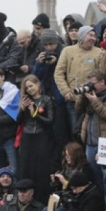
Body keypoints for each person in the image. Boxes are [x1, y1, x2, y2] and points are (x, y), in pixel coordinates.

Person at [54, 26, 106, 137]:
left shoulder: (99, 53)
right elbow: (58, 73)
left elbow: (103, 75)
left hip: (92, 100)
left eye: (94, 36)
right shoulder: (67, 51)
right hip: (73, 100)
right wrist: (65, 91)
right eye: (90, 35)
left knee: (91, 133)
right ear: (82, 36)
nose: (93, 38)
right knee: (75, 132)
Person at [75, 69, 106, 193]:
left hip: (105, 142)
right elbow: (77, 108)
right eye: (89, 83)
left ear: (102, 82)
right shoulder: (91, 95)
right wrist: (82, 96)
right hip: (90, 142)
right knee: (94, 178)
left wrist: (96, 102)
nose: (91, 86)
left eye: (93, 83)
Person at [33, 28, 69, 170]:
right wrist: (40, 63)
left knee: (60, 135)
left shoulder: (64, 52)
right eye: (46, 45)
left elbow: (65, 73)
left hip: (59, 100)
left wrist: (56, 62)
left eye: (51, 44)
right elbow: (36, 77)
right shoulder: (42, 56)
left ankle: (62, 165)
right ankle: (52, 166)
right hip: (46, 99)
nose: (49, 48)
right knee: (48, 135)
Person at [17, 74, 54, 204]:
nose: (30, 89)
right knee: (26, 167)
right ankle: (25, 198)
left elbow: (49, 121)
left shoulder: (46, 100)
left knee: (41, 168)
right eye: (27, 88)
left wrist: (35, 113)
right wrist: (22, 108)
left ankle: (42, 199)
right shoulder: (26, 100)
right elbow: (18, 121)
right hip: (28, 136)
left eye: (31, 86)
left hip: (41, 135)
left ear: (37, 85)